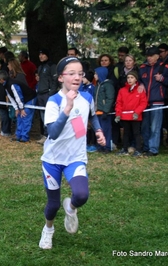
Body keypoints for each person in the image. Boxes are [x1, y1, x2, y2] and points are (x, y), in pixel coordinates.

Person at [38, 56, 106, 249]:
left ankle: (72, 207)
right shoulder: (53, 101)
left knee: (81, 195)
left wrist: (99, 131)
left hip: (75, 158)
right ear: (61, 78)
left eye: (80, 73)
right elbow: (52, 133)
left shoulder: (87, 98)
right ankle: (48, 229)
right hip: (52, 160)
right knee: (53, 204)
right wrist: (67, 108)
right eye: (71, 73)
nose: (77, 77)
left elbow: (93, 116)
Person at [139, 46, 168, 156]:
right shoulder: (142, 67)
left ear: (157, 56)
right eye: (148, 56)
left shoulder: (165, 67)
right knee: (145, 126)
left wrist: (162, 79)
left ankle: (153, 149)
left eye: (151, 56)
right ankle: (145, 147)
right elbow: (139, 79)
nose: (149, 58)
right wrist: (140, 84)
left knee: (155, 127)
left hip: (157, 101)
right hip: (144, 101)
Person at [0, 70, 37, 142]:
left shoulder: (12, 84)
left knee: (25, 116)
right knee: (19, 117)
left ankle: (24, 137)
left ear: (1, 79)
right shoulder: (5, 85)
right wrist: (16, 108)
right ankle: (18, 135)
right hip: (21, 101)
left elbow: (18, 96)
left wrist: (22, 109)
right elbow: (11, 98)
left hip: (29, 99)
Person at [114, 71, 148, 156]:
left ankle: (139, 150)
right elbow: (119, 103)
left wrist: (137, 112)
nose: (129, 79)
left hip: (135, 116)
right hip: (125, 116)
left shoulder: (140, 90)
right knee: (126, 133)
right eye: (128, 77)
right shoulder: (122, 90)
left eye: (132, 77)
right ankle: (125, 149)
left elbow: (143, 103)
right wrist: (118, 114)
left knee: (136, 133)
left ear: (136, 79)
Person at [37, 48, 58, 144]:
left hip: (47, 94)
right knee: (42, 115)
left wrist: (51, 93)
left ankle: (49, 135)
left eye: (43, 54)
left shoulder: (52, 66)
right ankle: (45, 134)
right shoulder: (40, 67)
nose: (41, 56)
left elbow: (55, 80)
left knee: (48, 115)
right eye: (40, 54)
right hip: (40, 93)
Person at [94, 66, 115, 152]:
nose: (94, 75)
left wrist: (106, 110)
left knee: (106, 130)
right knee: (99, 130)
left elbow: (110, 98)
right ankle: (100, 146)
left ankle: (107, 147)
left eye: (96, 74)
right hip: (97, 112)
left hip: (104, 112)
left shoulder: (108, 85)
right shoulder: (98, 85)